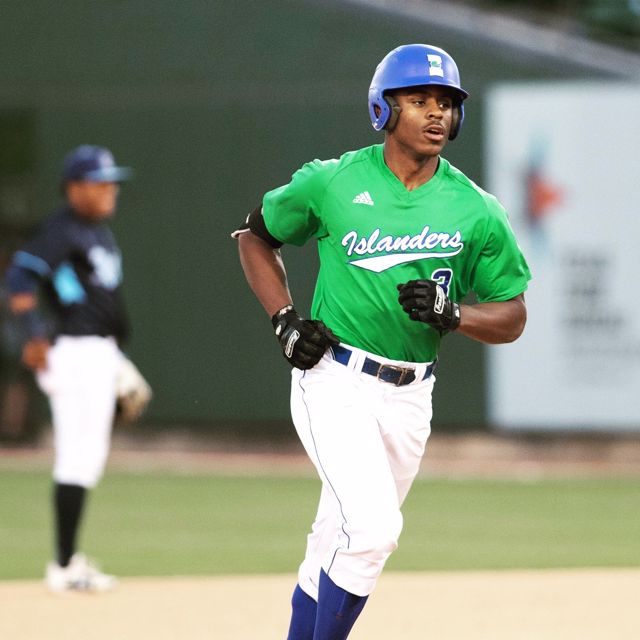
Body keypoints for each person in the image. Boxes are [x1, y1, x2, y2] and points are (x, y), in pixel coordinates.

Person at [234, 44, 531, 639]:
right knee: (372, 532)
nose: (435, 113)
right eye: (418, 100)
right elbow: (254, 238)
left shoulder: (476, 210)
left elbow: (513, 314)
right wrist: (284, 318)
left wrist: (456, 315)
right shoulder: (333, 181)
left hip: (410, 395)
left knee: (334, 540)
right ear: (382, 108)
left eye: (446, 102)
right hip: (334, 379)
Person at [5, 144, 133, 592]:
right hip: (75, 352)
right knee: (77, 459)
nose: (110, 190)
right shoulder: (60, 231)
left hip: (98, 352)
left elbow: (87, 296)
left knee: (88, 457)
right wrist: (34, 336)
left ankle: (68, 561)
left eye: (112, 181)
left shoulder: (95, 231)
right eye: (101, 182)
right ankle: (63, 566)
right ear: (74, 188)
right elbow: (19, 281)